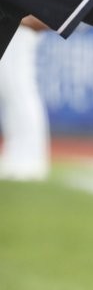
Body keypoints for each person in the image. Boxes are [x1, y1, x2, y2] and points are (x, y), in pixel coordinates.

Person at [0, 15, 49, 180]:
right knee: (10, 90)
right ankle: (16, 154)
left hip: (21, 27)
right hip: (12, 23)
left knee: (20, 89)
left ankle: (31, 159)